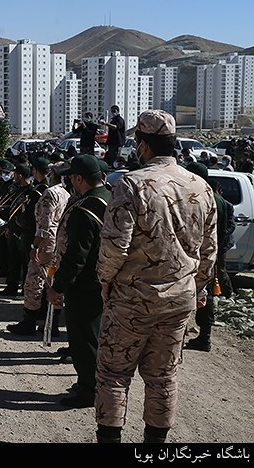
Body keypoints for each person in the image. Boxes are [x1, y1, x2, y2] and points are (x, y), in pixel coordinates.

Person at [95, 110, 217, 444]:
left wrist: (105, 280)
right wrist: (199, 287)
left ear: (143, 145)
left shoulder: (132, 184)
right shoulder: (201, 187)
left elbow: (114, 247)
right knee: (163, 378)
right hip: (179, 299)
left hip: (131, 300)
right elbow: (209, 252)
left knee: (114, 375)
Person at [45, 155, 110, 408]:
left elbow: (76, 257)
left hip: (85, 286)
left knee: (84, 340)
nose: (70, 181)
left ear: (80, 179)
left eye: (72, 176)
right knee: (96, 337)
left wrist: (59, 286)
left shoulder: (86, 210)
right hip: (102, 280)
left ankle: (89, 391)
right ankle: (94, 384)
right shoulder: (108, 197)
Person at [8, 157, 68, 336]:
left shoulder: (50, 193)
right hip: (58, 243)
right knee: (53, 282)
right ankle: (52, 322)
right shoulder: (66, 193)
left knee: (34, 282)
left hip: (46, 244)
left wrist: (35, 245)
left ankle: (30, 321)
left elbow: (45, 224)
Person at [183, 165, 235, 352]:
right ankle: (202, 334)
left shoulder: (201, 197)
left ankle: (201, 336)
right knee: (206, 293)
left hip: (198, 255)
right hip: (209, 255)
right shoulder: (217, 199)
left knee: (201, 294)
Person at [0, 163, 33, 296]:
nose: (13, 176)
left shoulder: (30, 192)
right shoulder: (17, 190)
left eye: (16, 174)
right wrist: (9, 227)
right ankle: (11, 287)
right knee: (13, 261)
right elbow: (13, 209)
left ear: (20, 175)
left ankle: (25, 288)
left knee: (25, 263)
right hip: (13, 229)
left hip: (22, 232)